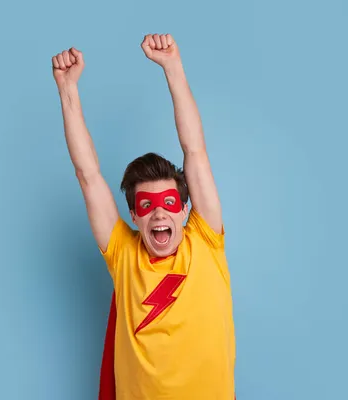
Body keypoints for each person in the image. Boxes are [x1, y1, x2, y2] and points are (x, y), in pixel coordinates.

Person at [52, 33, 236, 399]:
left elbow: (194, 150)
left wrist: (173, 68)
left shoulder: (206, 239)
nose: (158, 214)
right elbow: (87, 176)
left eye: (168, 203)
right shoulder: (123, 254)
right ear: (134, 216)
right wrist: (67, 91)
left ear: (185, 209)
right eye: (146, 207)